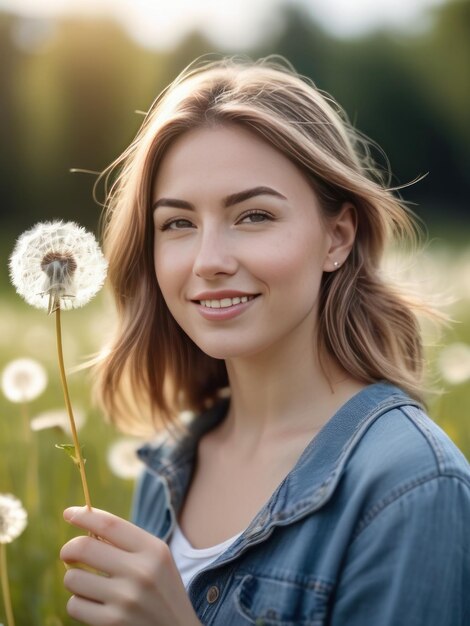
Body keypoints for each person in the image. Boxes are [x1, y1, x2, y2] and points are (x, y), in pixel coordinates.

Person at [60, 56, 470, 625]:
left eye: (253, 216)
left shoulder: (412, 488)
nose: (209, 262)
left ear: (338, 237)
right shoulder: (169, 466)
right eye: (178, 224)